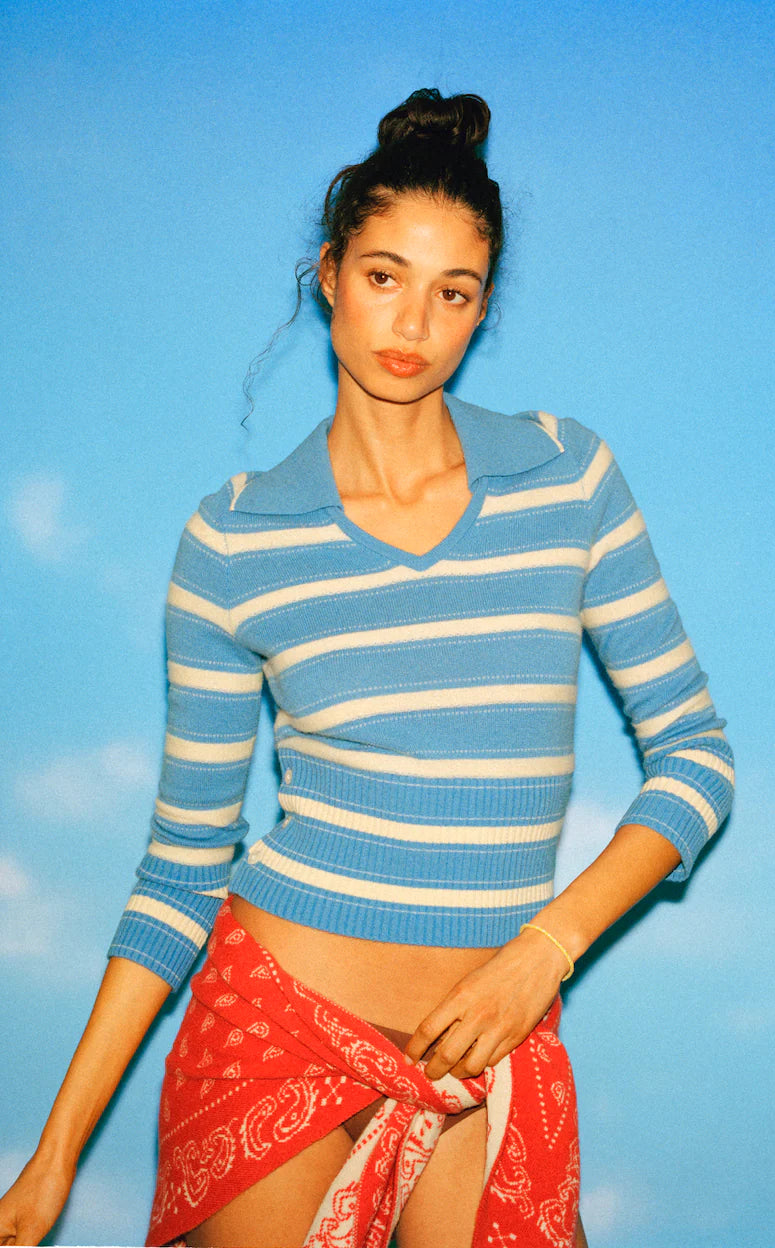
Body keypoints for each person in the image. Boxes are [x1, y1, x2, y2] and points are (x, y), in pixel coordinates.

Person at [0, 89, 734, 1248]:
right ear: (330, 275)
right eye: (386, 276)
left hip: (487, 1038)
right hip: (274, 1025)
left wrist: (542, 953)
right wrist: (54, 1156)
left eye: (455, 291)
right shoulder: (235, 539)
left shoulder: (565, 478)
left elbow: (695, 759)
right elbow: (181, 873)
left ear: (482, 308)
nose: (415, 321)